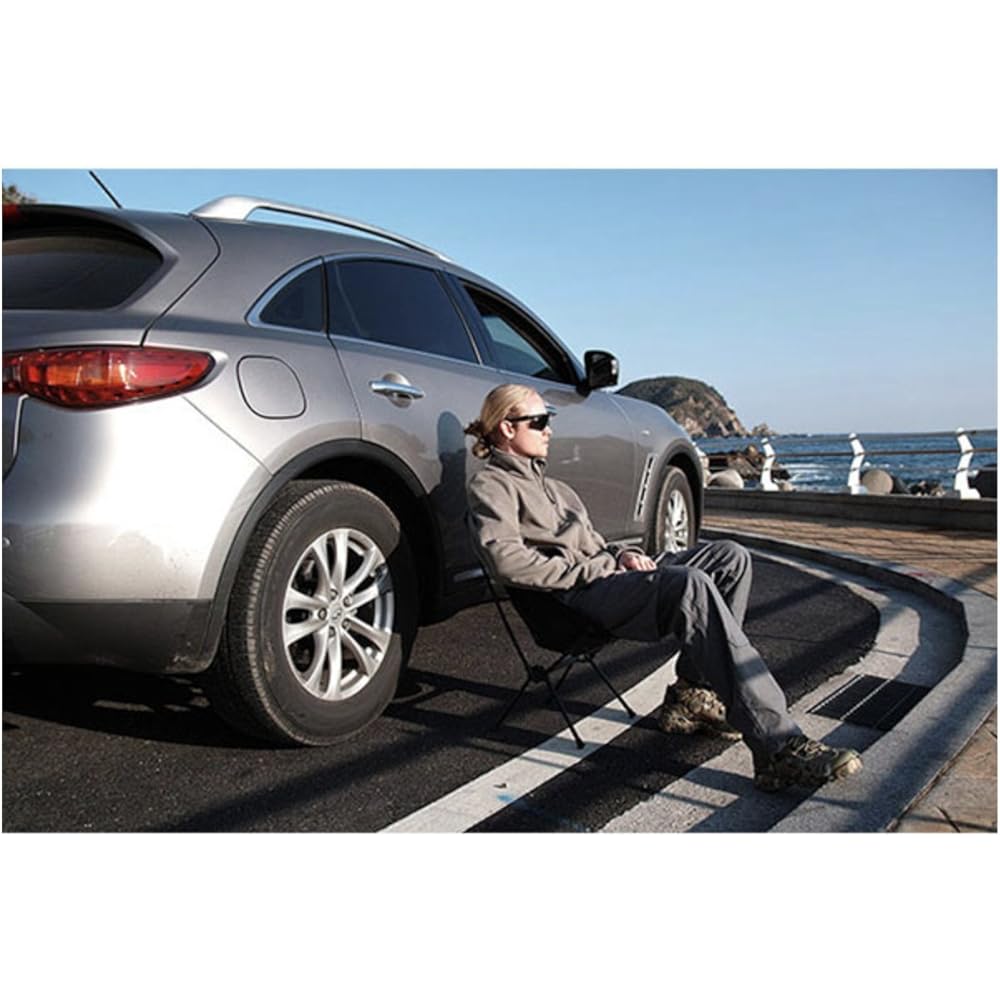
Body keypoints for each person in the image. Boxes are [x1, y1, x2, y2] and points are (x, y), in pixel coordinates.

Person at [465, 383, 863, 792]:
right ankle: (777, 746)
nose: (549, 429)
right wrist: (594, 571)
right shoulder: (491, 486)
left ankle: (693, 694)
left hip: (607, 579)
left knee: (730, 557)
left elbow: (597, 545)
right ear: (507, 427)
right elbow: (505, 561)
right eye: (539, 421)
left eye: (549, 420)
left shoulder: (556, 488)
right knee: (690, 586)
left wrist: (621, 556)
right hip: (574, 601)